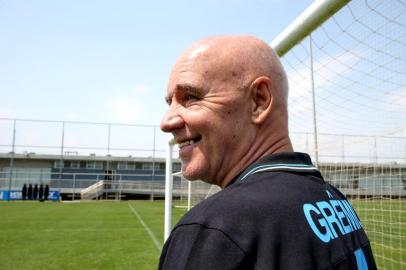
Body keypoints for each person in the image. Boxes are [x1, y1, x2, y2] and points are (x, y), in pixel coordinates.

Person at [159, 35, 377, 269]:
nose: (166, 122)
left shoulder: (216, 229)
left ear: (259, 100)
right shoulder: (334, 200)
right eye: (169, 102)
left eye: (191, 97)